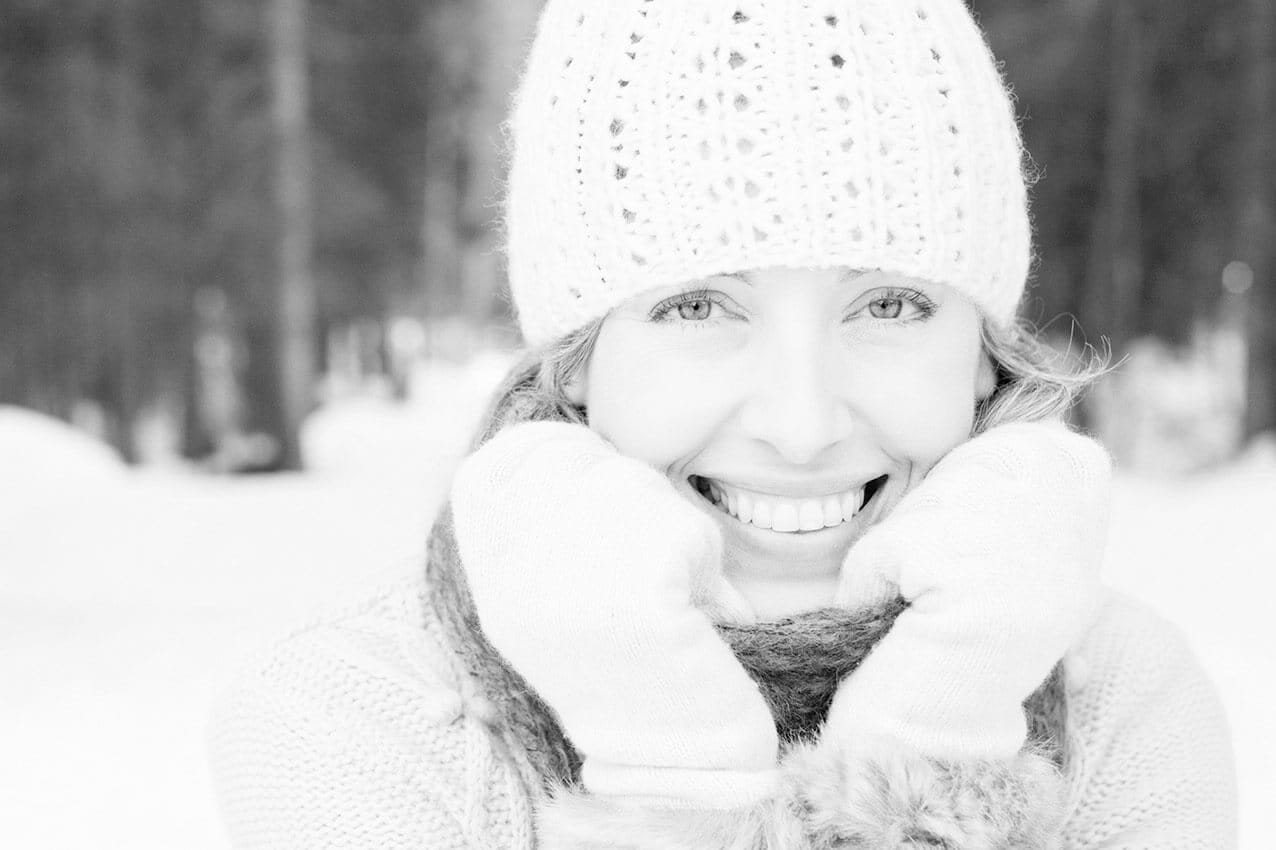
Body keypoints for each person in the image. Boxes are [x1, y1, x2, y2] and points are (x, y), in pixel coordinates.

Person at [209, 1, 1237, 847]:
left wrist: (927, 766)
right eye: (696, 307)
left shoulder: (1121, 701)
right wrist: (668, 782)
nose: (801, 425)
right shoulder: (353, 718)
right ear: (577, 365)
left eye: (888, 306)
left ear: (981, 355)